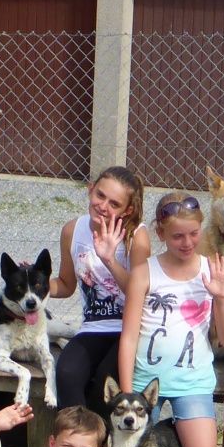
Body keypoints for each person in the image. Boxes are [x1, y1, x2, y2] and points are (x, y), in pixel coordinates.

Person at [117, 192, 224, 447]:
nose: (187, 242)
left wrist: (223, 298)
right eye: (177, 236)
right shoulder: (145, 272)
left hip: (192, 381)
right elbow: (129, 336)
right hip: (145, 383)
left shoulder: (212, 269)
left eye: (194, 234)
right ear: (160, 234)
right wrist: (128, 393)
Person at [48, 165, 150, 418]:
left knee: (104, 382)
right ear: (90, 190)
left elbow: (141, 294)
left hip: (129, 327)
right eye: (100, 196)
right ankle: (73, 443)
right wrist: (34, 284)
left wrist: (109, 259)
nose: (103, 206)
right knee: (67, 372)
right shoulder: (73, 230)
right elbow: (66, 284)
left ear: (127, 210)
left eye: (114, 204)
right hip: (93, 327)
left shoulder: (137, 237)